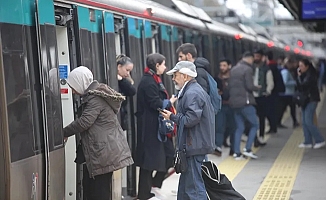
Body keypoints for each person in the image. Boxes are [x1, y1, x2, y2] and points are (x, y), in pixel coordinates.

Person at [63, 66, 134, 200]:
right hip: (101, 152)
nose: (72, 91)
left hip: (103, 153)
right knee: (93, 191)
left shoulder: (95, 99)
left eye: (73, 86)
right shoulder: (93, 96)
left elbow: (84, 122)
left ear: (80, 82)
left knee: (99, 192)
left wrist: (63, 132)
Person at [161, 61, 215, 199]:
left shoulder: (192, 93)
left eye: (175, 75)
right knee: (186, 189)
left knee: (194, 188)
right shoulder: (191, 91)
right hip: (192, 145)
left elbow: (191, 119)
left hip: (193, 145)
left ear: (185, 76)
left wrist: (172, 117)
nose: (173, 79)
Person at [135, 53, 177, 200]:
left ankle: (152, 186)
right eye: (163, 64)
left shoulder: (154, 79)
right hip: (150, 126)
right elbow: (155, 103)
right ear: (157, 65)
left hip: (157, 126)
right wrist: (169, 102)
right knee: (148, 161)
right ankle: (144, 193)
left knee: (168, 156)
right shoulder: (148, 82)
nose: (165, 67)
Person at [229, 52, 260, 160]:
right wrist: (258, 87)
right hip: (245, 102)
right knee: (255, 125)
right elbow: (249, 86)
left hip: (234, 103)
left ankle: (237, 153)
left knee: (239, 127)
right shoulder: (247, 69)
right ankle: (248, 149)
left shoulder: (233, 69)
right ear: (250, 59)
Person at [296, 59, 325, 149]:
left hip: (311, 100)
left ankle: (320, 140)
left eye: (301, 66)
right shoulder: (307, 74)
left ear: (307, 66)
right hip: (306, 100)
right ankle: (307, 141)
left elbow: (303, 86)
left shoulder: (311, 75)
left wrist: (299, 77)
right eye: (299, 66)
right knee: (304, 122)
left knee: (308, 121)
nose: (300, 68)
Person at [214, 58, 236, 156]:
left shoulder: (234, 78)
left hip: (232, 105)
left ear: (229, 66)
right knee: (219, 126)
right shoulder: (216, 79)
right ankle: (218, 147)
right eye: (220, 66)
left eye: (224, 65)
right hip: (221, 105)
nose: (222, 68)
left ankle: (233, 148)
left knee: (233, 127)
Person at [253, 50, 274, 147]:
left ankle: (261, 135)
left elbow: (270, 82)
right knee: (252, 118)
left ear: (261, 57)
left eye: (258, 56)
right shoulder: (251, 68)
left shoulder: (266, 69)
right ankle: (254, 137)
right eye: (255, 56)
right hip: (252, 96)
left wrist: (268, 91)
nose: (256, 58)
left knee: (261, 117)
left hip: (262, 96)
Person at [116, 54, 136, 130]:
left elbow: (132, 91)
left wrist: (122, 80)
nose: (128, 74)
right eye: (127, 70)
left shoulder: (123, 80)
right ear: (119, 67)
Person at [278, 57, 299, 128]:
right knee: (291, 108)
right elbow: (285, 82)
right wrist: (294, 82)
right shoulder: (286, 72)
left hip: (287, 93)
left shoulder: (284, 71)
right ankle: (294, 122)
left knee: (284, 108)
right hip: (288, 93)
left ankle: (279, 122)